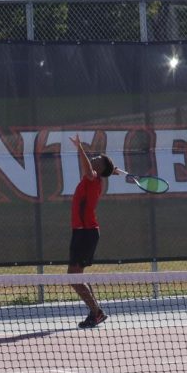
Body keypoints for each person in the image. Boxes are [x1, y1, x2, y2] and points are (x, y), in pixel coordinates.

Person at [67, 135, 117, 328]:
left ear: (100, 168)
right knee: (76, 275)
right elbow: (92, 169)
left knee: (73, 276)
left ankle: (96, 312)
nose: (94, 157)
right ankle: (96, 312)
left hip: (86, 232)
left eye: (97, 158)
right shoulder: (94, 179)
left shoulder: (93, 177)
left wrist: (79, 147)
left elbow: (88, 169)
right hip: (83, 232)